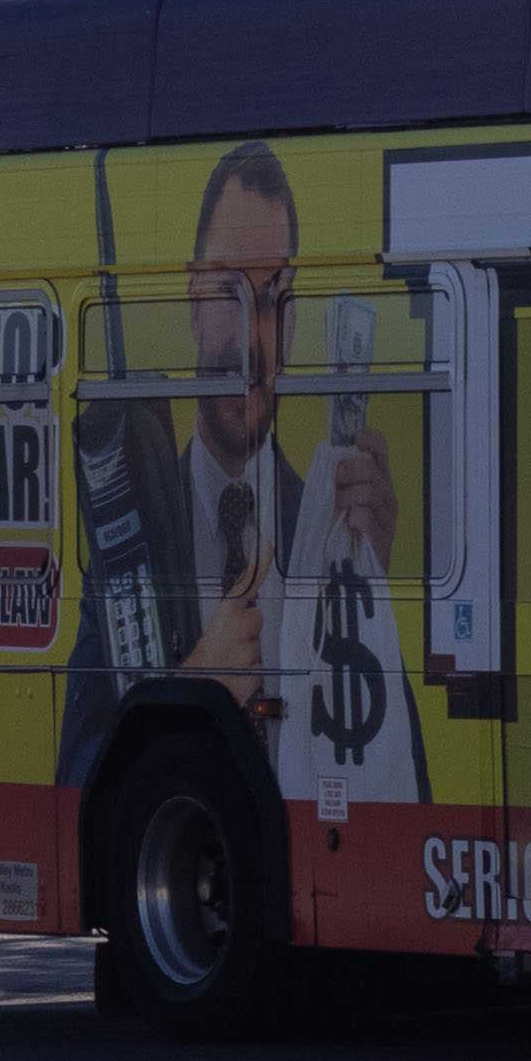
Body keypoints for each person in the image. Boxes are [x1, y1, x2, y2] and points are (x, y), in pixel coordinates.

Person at [61, 141, 399, 774]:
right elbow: (76, 775)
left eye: (271, 299)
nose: (249, 339)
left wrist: (371, 600)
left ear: (292, 325)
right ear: (192, 301)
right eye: (227, 292)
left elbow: (403, 780)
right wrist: (196, 687)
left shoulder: (331, 525)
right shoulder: (128, 537)